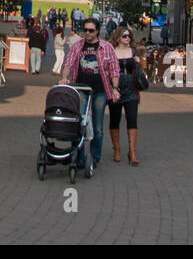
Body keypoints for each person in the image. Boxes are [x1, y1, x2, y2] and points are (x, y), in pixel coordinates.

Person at [59, 17, 120, 167]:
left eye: (91, 30)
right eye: (85, 30)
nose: (87, 33)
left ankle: (94, 158)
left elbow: (114, 70)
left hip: (100, 90)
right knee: (79, 122)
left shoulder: (106, 47)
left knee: (97, 126)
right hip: (80, 89)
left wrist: (115, 88)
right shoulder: (78, 46)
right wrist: (64, 78)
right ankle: (79, 157)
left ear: (97, 31)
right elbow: (69, 63)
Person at [108, 27, 142, 165]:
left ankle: (132, 152)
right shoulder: (111, 52)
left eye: (129, 36)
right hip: (115, 89)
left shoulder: (133, 52)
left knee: (132, 119)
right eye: (124, 36)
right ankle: (116, 150)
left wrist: (138, 62)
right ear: (118, 38)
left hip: (131, 89)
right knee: (115, 120)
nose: (127, 38)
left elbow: (139, 72)